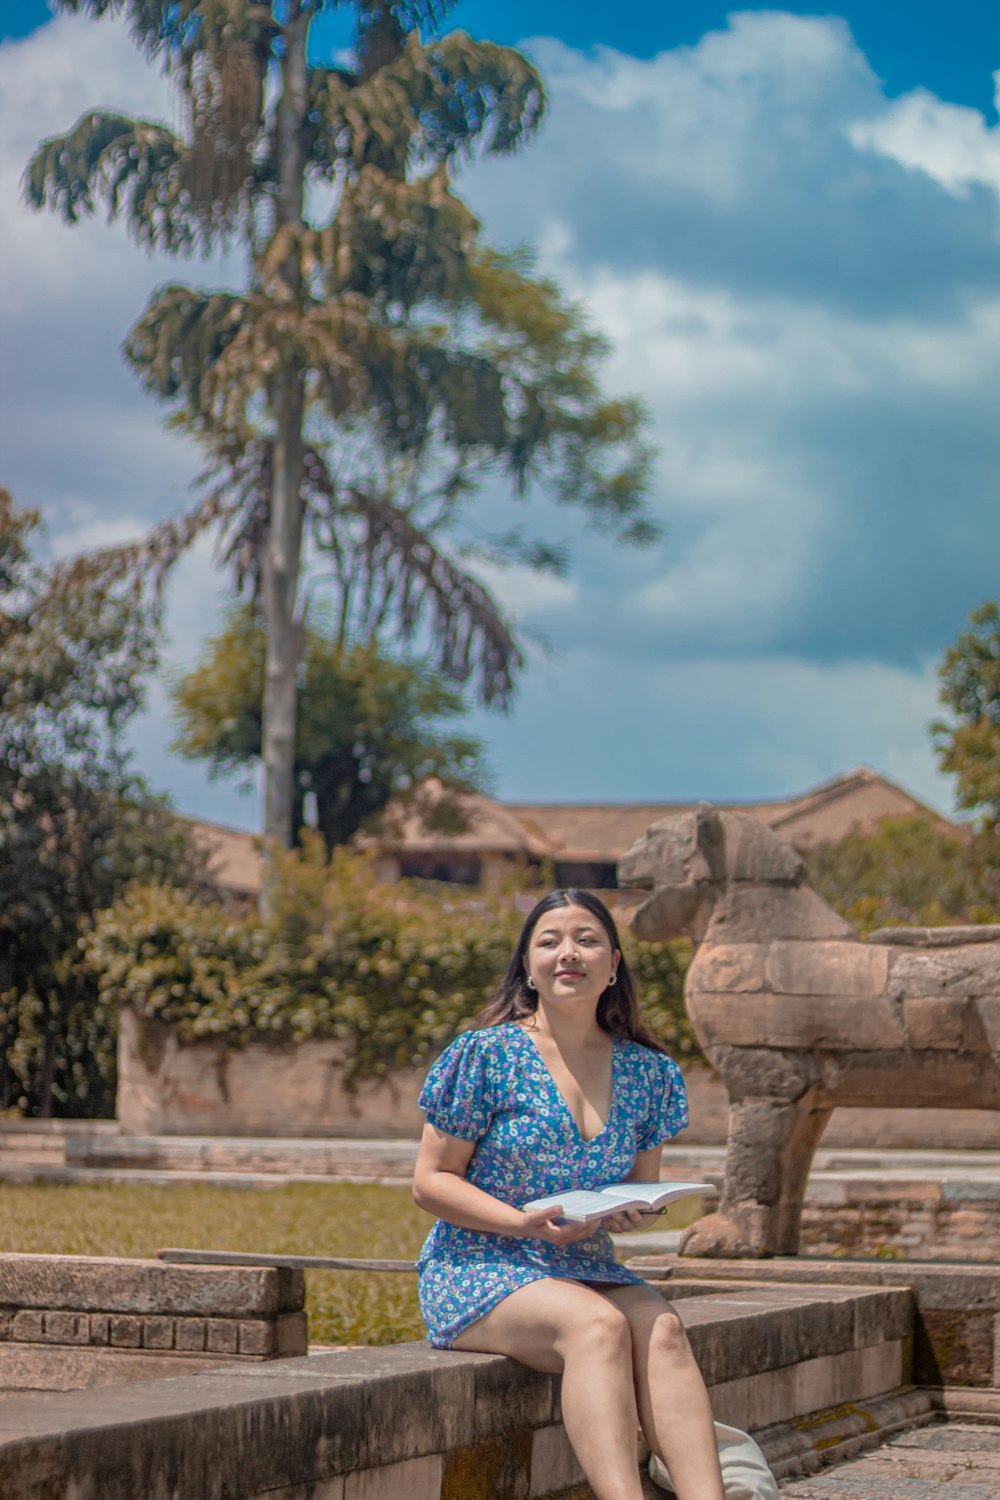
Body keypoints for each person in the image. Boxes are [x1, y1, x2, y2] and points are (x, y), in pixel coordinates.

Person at [412, 888, 728, 1500]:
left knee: (662, 1329)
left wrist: (634, 1206)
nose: (568, 953)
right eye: (549, 941)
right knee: (598, 1328)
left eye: (586, 939)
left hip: (585, 1262)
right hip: (480, 1263)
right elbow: (432, 1180)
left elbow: (639, 1183)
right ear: (527, 966)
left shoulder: (649, 1072)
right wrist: (522, 1224)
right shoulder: (485, 1055)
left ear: (613, 964)